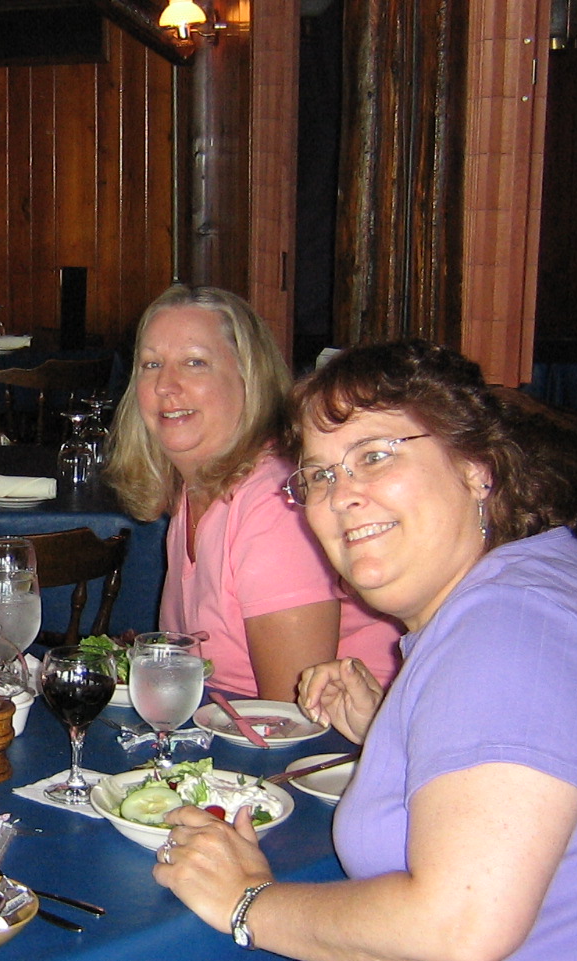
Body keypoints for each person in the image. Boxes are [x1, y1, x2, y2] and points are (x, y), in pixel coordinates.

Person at [140, 340, 577, 961]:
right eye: (321, 474)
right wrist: (394, 732)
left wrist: (249, 902)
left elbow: (460, 923)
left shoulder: (512, 630)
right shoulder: (525, 590)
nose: (341, 494)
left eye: (375, 455)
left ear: (475, 469)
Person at [103, 285, 399, 700]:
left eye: (194, 362)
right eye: (151, 364)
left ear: (248, 377)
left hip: (337, 749)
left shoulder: (276, 503)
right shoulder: (192, 490)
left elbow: (292, 715)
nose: (166, 385)